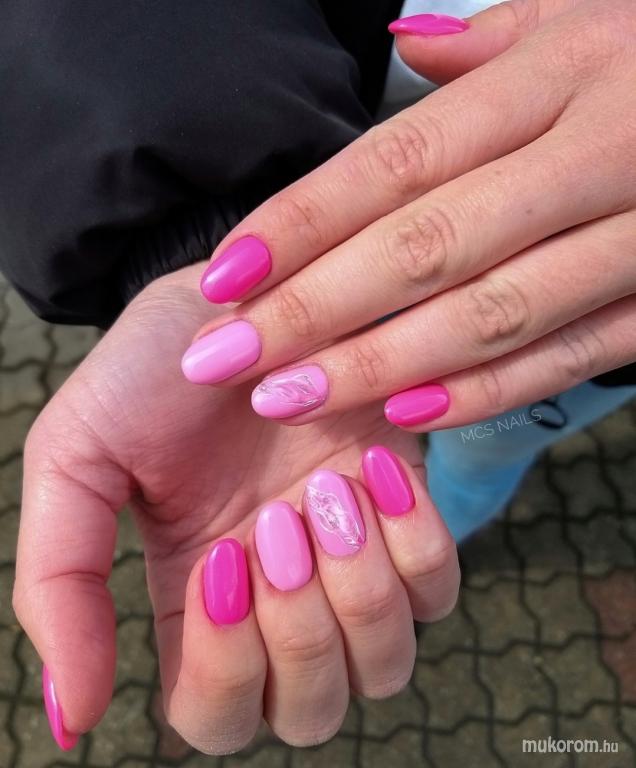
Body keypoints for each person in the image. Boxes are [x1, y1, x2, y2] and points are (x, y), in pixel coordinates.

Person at [4, 0, 635, 755]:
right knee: (455, 445)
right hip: (333, 119)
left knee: (485, 451)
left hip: (606, 316)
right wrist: (204, 230)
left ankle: (449, 529)